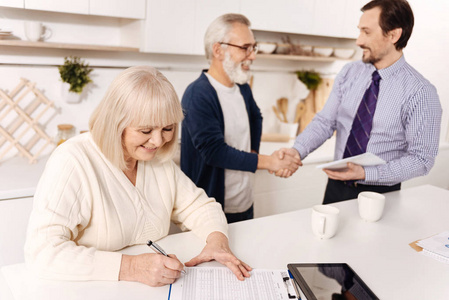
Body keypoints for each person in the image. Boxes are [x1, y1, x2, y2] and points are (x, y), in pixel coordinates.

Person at [24, 66, 252, 287]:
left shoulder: (156, 159)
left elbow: (200, 207)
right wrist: (131, 267)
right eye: (145, 131)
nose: (158, 141)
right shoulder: (72, 161)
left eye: (167, 128)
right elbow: (42, 251)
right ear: (115, 123)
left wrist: (217, 241)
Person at [277, 0, 442, 204]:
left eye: (366, 32)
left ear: (393, 35)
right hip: (336, 186)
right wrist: (296, 151)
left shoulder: (421, 92)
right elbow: (325, 122)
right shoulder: (350, 72)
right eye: (359, 31)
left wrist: (364, 173)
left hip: (380, 195)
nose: (358, 40)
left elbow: (421, 159)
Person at [181, 13, 301, 223]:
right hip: (209, 209)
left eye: (253, 47)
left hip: (243, 201)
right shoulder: (197, 94)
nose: (252, 55)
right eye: (245, 48)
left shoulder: (242, 88)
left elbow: (256, 118)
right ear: (218, 50)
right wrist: (269, 161)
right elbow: (214, 152)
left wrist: (253, 151)